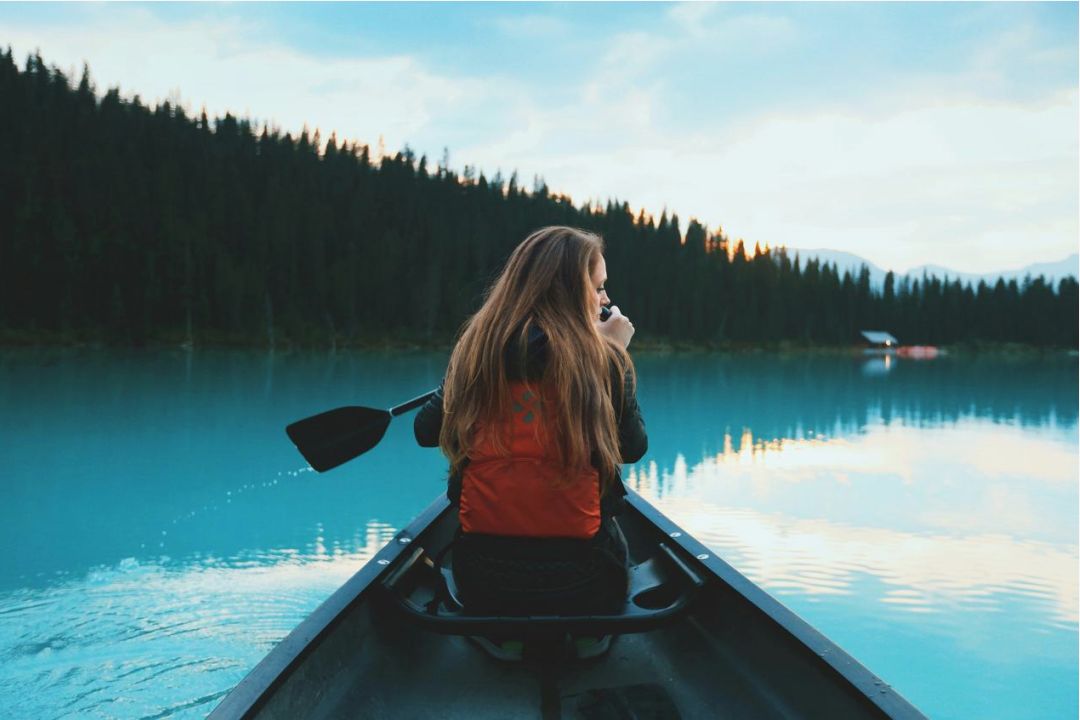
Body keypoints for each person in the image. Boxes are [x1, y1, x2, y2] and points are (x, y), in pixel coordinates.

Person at [414, 226, 647, 616]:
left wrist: (457, 374)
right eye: (599, 287)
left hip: (482, 582)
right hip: (586, 582)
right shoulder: (601, 359)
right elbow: (632, 449)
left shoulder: (477, 349)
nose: (606, 300)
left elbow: (426, 431)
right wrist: (613, 356)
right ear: (572, 291)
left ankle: (503, 639)